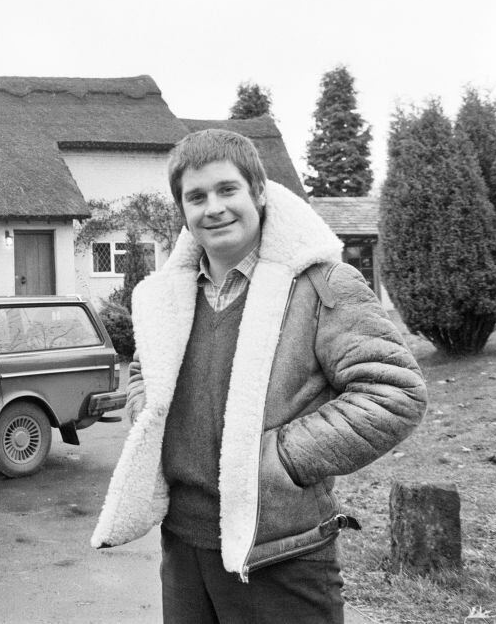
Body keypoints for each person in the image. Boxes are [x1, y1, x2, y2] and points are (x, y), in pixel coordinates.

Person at [91, 129, 427, 623]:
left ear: (259, 192)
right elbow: (144, 370)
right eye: (196, 197)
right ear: (183, 210)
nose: (214, 208)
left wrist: (279, 459)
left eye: (227, 189)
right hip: (182, 546)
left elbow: (394, 391)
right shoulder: (164, 295)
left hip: (281, 554)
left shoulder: (322, 284)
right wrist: (149, 412)